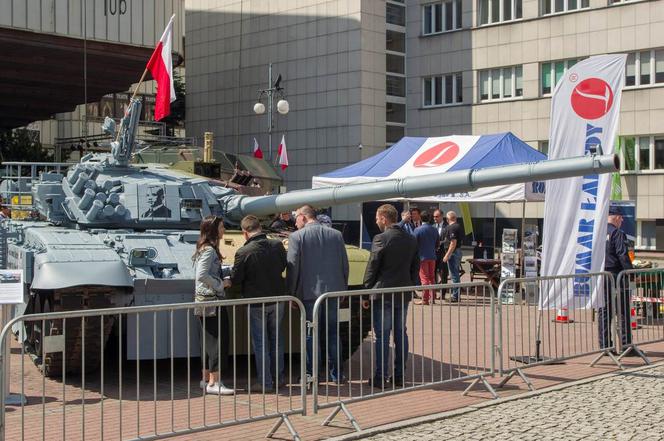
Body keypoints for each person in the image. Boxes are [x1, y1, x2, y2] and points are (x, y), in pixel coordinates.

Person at [287, 205, 349, 384]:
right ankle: (337, 375)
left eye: (296, 217)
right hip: (333, 292)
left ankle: (310, 375)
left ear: (304, 217)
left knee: (309, 335)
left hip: (308, 294)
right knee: (333, 333)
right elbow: (344, 264)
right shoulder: (336, 235)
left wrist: (292, 293)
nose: (295, 221)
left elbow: (293, 267)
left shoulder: (297, 237)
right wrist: (343, 288)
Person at [362, 204, 420, 387]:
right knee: (401, 333)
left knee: (383, 336)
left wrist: (366, 291)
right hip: (402, 293)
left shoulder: (381, 238)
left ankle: (380, 376)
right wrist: (409, 285)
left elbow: (373, 265)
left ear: (385, 219)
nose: (376, 221)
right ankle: (399, 375)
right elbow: (415, 267)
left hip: (384, 293)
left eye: (378, 218)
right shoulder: (411, 239)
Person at [232, 215, 288, 392]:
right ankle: (278, 378)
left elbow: (236, 279)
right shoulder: (277, 244)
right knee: (276, 340)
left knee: (261, 343)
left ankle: (265, 382)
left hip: (257, 302)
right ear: (260, 227)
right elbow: (282, 266)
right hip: (278, 298)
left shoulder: (244, 251)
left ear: (245, 233)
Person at [192, 215, 234, 395]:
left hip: (204, 302)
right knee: (217, 342)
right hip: (212, 302)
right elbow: (201, 274)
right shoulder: (209, 250)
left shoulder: (204, 248)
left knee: (207, 343)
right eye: (222, 227)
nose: (224, 230)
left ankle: (205, 378)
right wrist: (221, 284)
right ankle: (214, 382)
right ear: (213, 230)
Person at [599, 206, 633, 350]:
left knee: (604, 310)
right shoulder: (617, 233)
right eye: (621, 218)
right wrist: (630, 273)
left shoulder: (598, 232)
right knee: (623, 310)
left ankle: (605, 346)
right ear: (616, 217)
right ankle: (626, 345)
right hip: (616, 275)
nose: (622, 220)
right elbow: (622, 255)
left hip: (602, 275)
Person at [413, 211, 440, 305]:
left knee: (424, 279)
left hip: (422, 257)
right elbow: (437, 244)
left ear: (420, 218)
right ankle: (432, 298)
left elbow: (414, 244)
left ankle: (425, 299)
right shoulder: (434, 229)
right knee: (432, 278)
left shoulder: (417, 230)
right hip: (432, 256)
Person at [443, 211, 463, 303]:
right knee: (455, 274)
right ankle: (456, 295)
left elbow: (453, 242)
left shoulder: (452, 227)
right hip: (457, 251)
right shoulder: (458, 226)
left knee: (454, 275)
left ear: (448, 219)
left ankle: (455, 296)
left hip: (453, 252)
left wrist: (447, 255)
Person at [433, 209, 449, 300]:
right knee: (433, 273)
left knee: (443, 274)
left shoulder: (447, 227)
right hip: (434, 254)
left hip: (443, 253)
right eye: (434, 216)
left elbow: (447, 240)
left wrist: (439, 243)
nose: (435, 218)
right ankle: (434, 293)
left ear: (442, 216)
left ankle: (442, 294)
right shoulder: (432, 226)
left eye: (437, 216)